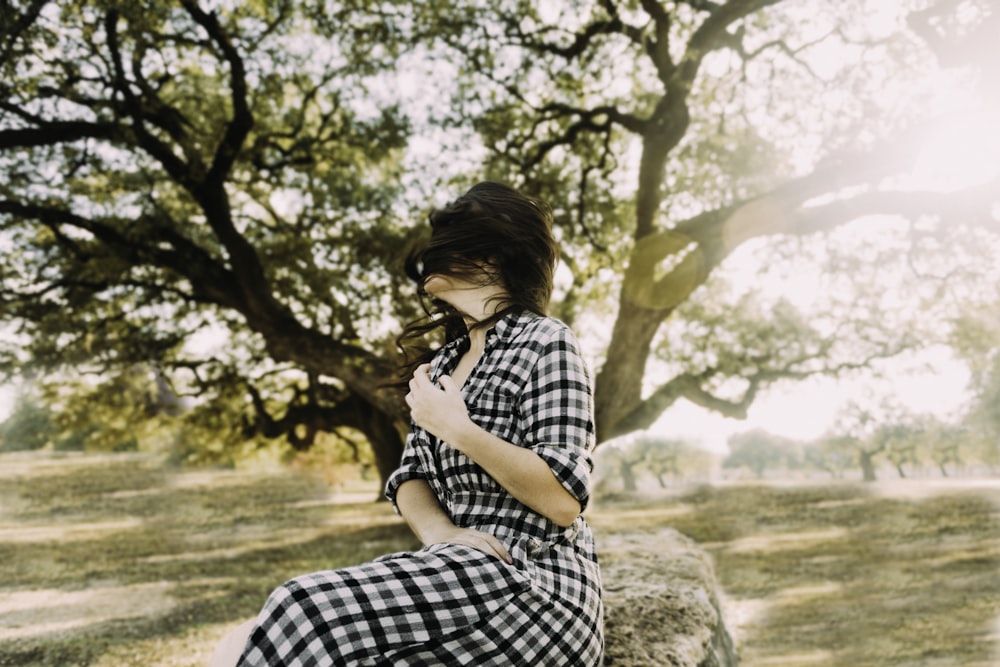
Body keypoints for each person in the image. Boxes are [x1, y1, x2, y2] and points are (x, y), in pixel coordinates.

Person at [211, 181, 604, 666]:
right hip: (456, 571)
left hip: (536, 588)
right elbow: (410, 476)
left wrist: (459, 429)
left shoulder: (547, 342)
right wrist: (441, 533)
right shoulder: (441, 367)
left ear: (495, 255)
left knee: (302, 611)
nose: (429, 254)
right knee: (238, 644)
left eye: (451, 238)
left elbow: (563, 500)